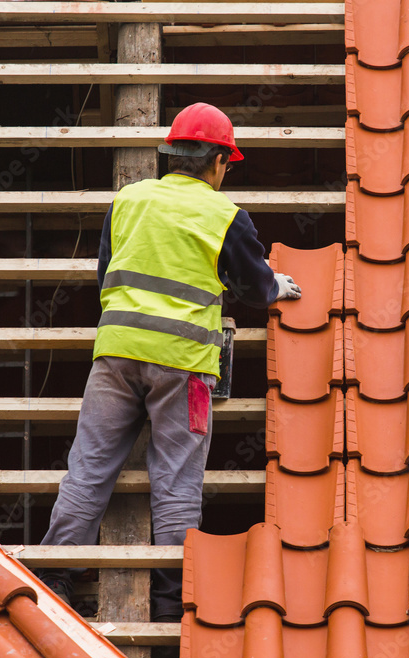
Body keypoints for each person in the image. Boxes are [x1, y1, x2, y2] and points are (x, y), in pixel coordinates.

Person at [38, 103, 301, 622]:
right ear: (220, 161)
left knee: (88, 468)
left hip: (115, 355)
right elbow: (252, 287)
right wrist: (276, 286)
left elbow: (106, 273)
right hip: (184, 367)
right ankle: (170, 600)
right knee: (177, 481)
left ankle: (55, 575)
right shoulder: (226, 216)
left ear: (172, 155)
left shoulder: (128, 200)